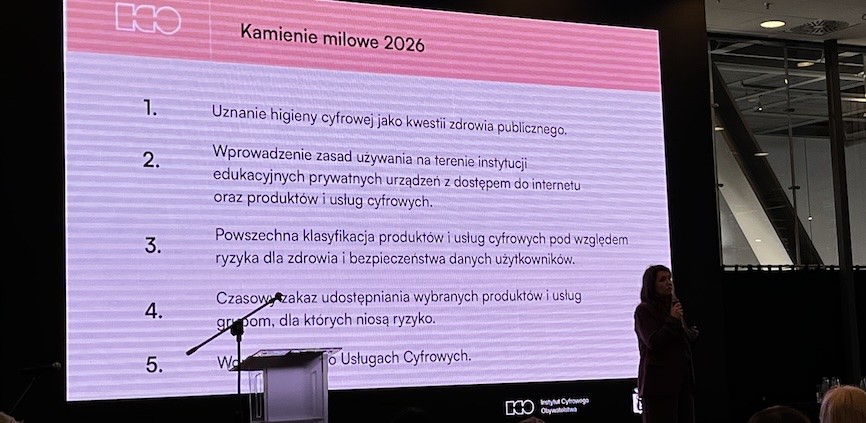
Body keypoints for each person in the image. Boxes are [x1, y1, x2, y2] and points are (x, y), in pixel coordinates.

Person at [634, 264, 698, 423]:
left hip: (682, 384)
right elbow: (653, 342)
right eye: (662, 279)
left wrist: (690, 334)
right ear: (652, 285)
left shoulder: (672, 307)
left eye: (669, 278)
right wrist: (672, 320)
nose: (668, 282)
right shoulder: (644, 310)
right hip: (659, 387)